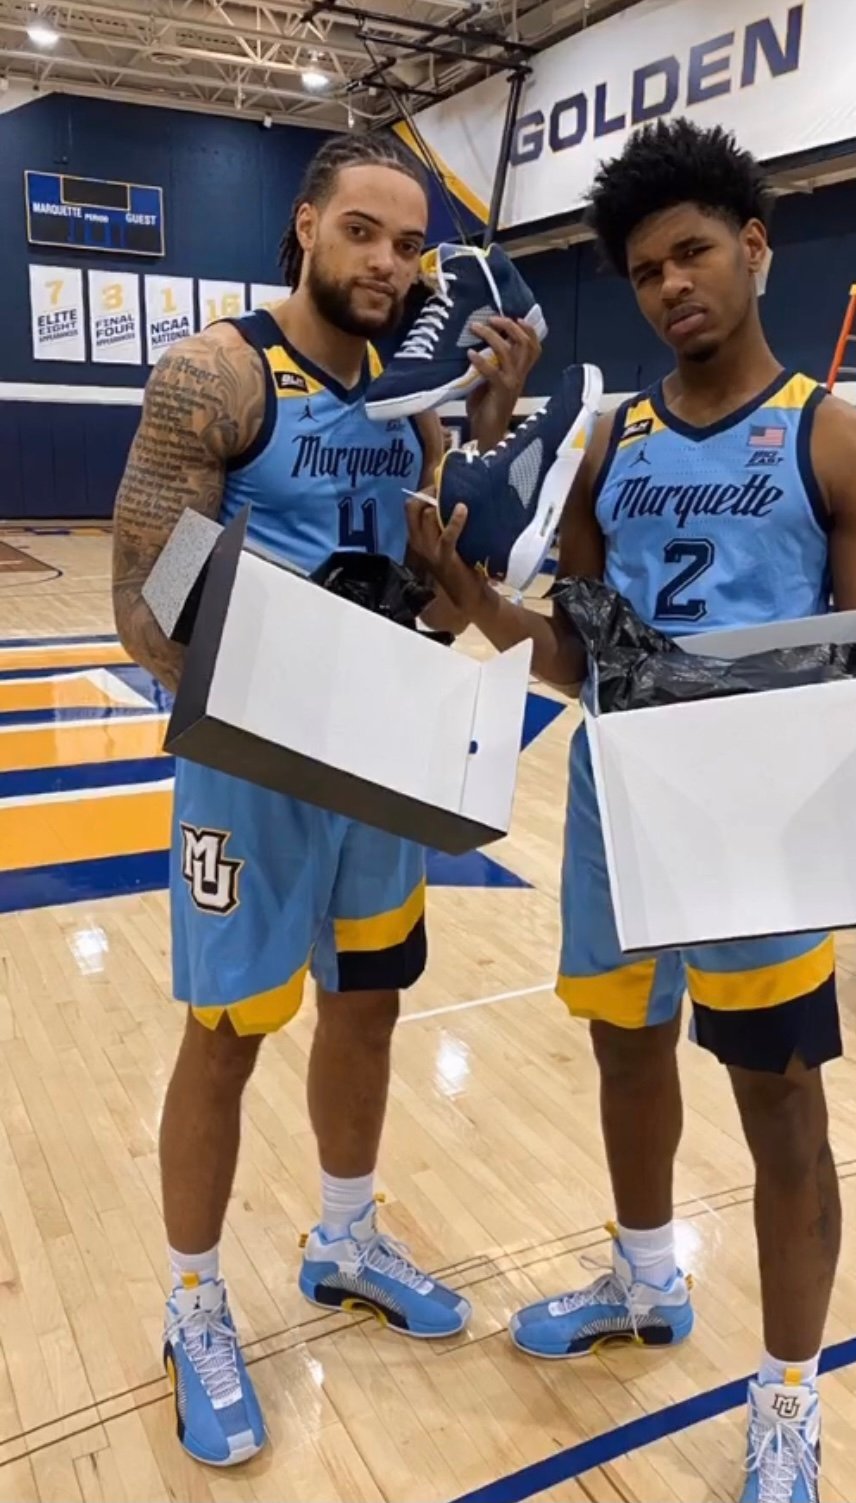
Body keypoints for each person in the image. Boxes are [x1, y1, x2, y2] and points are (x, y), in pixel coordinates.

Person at [410, 118, 856, 1503]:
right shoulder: (606, 446)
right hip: (618, 799)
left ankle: (789, 1395)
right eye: (643, 270)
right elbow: (578, 655)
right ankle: (644, 1279)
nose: (671, 284)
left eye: (692, 252)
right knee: (627, 1054)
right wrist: (472, 598)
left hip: (758, 822)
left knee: (781, 1106)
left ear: (755, 246)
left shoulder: (843, 441)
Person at [111, 134, 540, 1468]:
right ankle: (193, 1304)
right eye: (363, 230)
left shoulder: (418, 406)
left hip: (379, 756)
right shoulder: (222, 374)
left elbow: (435, 601)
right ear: (304, 226)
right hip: (252, 764)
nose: (387, 263)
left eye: (410, 247)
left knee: (370, 1001)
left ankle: (344, 1235)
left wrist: (487, 457)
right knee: (229, 1028)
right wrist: (290, 671)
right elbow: (144, 608)